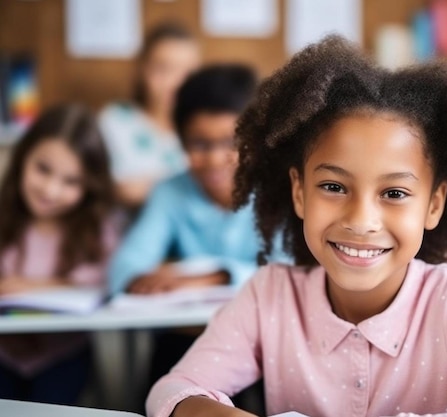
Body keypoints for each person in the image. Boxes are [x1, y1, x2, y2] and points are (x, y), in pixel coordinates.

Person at [146, 36, 447, 417]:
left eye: (394, 193)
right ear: (299, 192)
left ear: (434, 204)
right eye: (333, 186)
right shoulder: (269, 299)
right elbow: (172, 391)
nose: (361, 220)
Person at [108, 64, 272, 389]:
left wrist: (211, 278)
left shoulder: (277, 192)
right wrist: (144, 279)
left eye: (230, 143)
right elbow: (122, 269)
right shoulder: (171, 192)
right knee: (167, 383)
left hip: (262, 337)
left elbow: (292, 275)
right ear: (181, 141)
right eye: (199, 144)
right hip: (187, 341)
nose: (214, 159)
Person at [0, 104, 119, 404]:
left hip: (63, 355)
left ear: (90, 185)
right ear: (23, 157)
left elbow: (110, 278)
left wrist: (35, 286)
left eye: (72, 181)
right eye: (43, 169)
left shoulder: (96, 226)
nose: (51, 191)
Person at [99, 21, 201, 209]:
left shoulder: (202, 130)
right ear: (142, 69)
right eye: (164, 69)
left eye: (187, 72)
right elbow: (118, 188)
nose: (175, 82)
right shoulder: (115, 120)